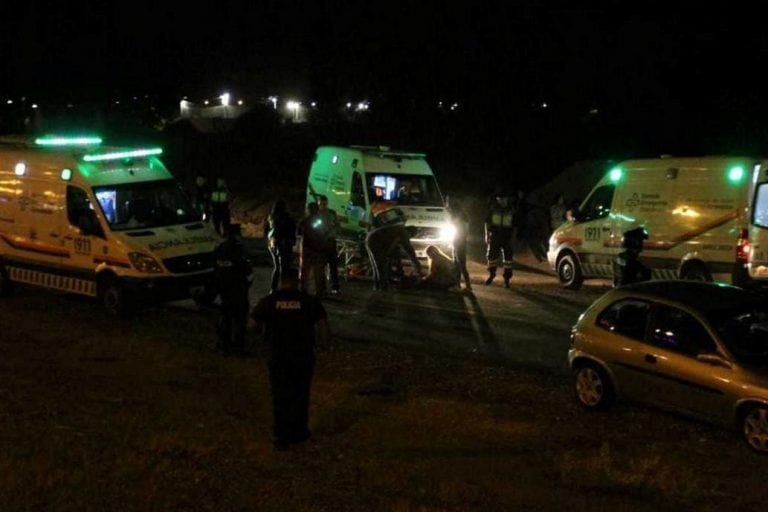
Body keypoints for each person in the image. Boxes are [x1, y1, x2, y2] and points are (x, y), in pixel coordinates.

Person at [249, 267, 330, 451]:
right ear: (297, 281)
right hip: (302, 356)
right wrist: (324, 345)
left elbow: (252, 325)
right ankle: (299, 431)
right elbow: (323, 327)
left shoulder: (270, 301)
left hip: (277, 356)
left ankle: (281, 434)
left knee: (279, 394)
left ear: (281, 281)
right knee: (301, 394)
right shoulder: (308, 301)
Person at [213, 223, 252, 356]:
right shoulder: (238, 250)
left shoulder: (219, 249)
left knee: (226, 316)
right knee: (240, 319)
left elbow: (215, 268)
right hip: (238, 288)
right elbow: (247, 269)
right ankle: (238, 346)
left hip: (224, 288)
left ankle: (223, 343)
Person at [365, 206, 422, 290]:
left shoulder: (397, 229)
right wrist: (417, 265)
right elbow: (409, 250)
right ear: (411, 232)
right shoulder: (403, 232)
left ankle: (377, 286)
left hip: (371, 237)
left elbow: (393, 248)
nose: (410, 238)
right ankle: (383, 287)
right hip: (375, 240)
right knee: (380, 264)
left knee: (377, 264)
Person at [484, 190, 516, 288]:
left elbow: (515, 225)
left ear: (506, 199)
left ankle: (506, 280)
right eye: (500, 199)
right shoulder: (493, 209)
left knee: (508, 260)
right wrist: (486, 235)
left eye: (503, 199)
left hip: (507, 237)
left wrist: (513, 238)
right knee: (492, 257)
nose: (501, 201)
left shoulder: (511, 210)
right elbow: (487, 222)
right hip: (495, 236)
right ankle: (491, 274)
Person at [266, 199, 297, 294]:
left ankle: (273, 289)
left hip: (273, 244)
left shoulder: (272, 217)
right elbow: (290, 230)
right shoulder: (285, 218)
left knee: (277, 267)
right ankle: (284, 289)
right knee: (284, 268)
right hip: (283, 244)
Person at [315, 195, 341, 295]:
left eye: (324, 204)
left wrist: (333, 229)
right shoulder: (316, 214)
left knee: (333, 265)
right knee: (321, 265)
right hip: (321, 241)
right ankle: (323, 287)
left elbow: (338, 226)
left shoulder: (332, 213)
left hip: (330, 241)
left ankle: (335, 286)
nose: (323, 206)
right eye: (321, 204)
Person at [298, 202, 324, 294]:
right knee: (317, 271)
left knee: (304, 270)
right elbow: (322, 234)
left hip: (306, 248)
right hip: (317, 248)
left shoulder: (304, 221)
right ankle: (319, 290)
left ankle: (303, 289)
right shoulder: (320, 221)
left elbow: (299, 233)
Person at [446, 196, 471, 290]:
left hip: (458, 243)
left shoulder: (457, 217)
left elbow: (460, 231)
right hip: (460, 243)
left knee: (459, 265)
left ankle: (463, 285)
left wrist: (455, 242)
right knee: (458, 265)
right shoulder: (463, 216)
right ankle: (459, 284)